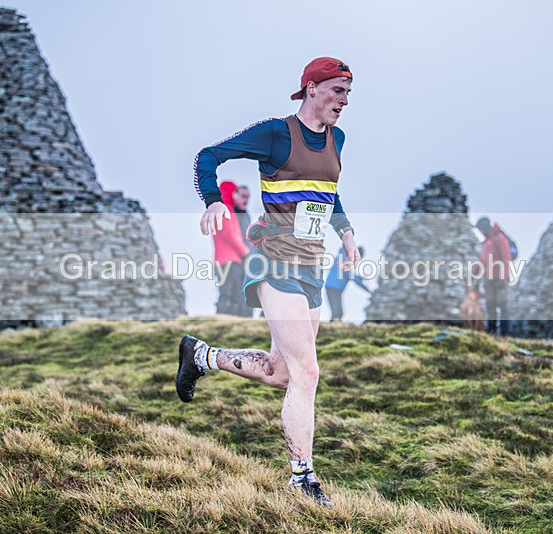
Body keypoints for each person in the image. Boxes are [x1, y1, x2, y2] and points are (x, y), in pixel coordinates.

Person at [178, 57, 358, 507]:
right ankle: (302, 478)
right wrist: (213, 200)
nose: (344, 100)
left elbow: (327, 195)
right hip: (275, 261)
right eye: (337, 90)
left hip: (313, 265)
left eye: (349, 93)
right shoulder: (278, 134)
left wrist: (348, 233)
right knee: (308, 372)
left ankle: (202, 356)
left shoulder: (336, 139)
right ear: (312, 89)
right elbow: (209, 155)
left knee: (282, 373)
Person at [212, 181, 252, 317]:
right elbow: (230, 234)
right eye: (235, 192)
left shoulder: (227, 210)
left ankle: (225, 322)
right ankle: (221, 322)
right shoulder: (225, 210)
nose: (236, 196)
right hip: (228, 260)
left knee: (233, 294)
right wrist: (246, 252)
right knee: (227, 294)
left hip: (229, 260)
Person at [475, 217, 512, 336]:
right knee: (490, 305)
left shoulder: (499, 238)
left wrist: (503, 278)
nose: (480, 232)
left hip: (499, 279)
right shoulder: (486, 243)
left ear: (485, 227)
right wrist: (474, 274)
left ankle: (504, 334)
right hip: (488, 279)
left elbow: (506, 258)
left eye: (480, 229)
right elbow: (482, 261)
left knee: (502, 306)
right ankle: (491, 332)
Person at [325, 245, 370, 321]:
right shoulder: (345, 257)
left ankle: (331, 329)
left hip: (335, 287)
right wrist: (362, 283)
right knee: (337, 313)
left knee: (338, 313)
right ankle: (330, 330)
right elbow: (348, 273)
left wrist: (360, 279)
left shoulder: (345, 256)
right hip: (333, 287)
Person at [233, 184, 252, 249]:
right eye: (243, 196)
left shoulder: (247, 215)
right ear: (235, 196)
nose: (246, 200)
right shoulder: (230, 215)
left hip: (249, 254)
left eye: (248, 197)